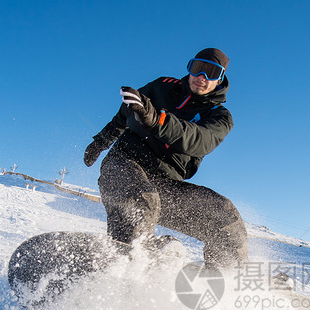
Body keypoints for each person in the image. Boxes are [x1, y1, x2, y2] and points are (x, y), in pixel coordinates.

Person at [83, 48, 247, 269]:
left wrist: (158, 120)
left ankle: (224, 280)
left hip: (165, 186)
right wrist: (102, 140)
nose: (202, 78)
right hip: (124, 165)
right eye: (198, 69)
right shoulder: (162, 86)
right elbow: (128, 110)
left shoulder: (219, 117)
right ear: (189, 68)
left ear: (220, 80)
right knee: (142, 200)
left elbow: (199, 139)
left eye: (211, 73)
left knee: (225, 218)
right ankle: (129, 264)